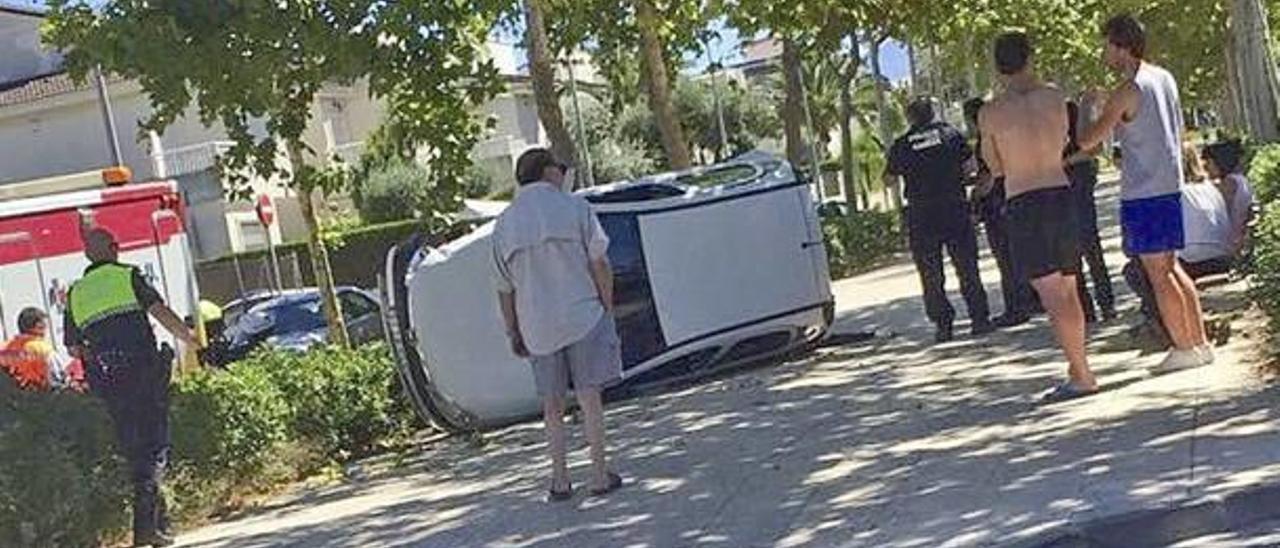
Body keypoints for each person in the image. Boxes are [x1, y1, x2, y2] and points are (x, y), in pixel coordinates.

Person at [1077, 14, 1212, 372]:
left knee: (1158, 274)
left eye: (1106, 44)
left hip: (1143, 192)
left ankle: (1183, 346)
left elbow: (1088, 140)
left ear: (1120, 45)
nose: (1103, 52)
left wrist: (1089, 105)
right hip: (1168, 185)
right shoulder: (1163, 78)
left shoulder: (1128, 89)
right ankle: (1197, 341)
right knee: (1173, 268)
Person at [492, 148, 624, 502]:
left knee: (552, 405)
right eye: (560, 168)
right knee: (589, 397)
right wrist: (606, 305)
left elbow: (504, 288)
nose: (564, 175)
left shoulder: (505, 224)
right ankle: (598, 475)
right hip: (583, 315)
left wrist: (513, 331)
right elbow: (600, 262)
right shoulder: (576, 208)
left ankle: (560, 481)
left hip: (537, 326)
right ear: (548, 171)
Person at [979, 31, 1098, 401]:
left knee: (1051, 294)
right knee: (1068, 287)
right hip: (1060, 193)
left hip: (1023, 200)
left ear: (998, 66)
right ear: (1031, 58)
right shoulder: (1055, 97)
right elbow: (1065, 142)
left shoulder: (991, 112)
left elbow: (994, 166)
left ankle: (1081, 373)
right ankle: (1080, 366)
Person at [64, 228, 198, 547]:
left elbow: (73, 347)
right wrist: (191, 339)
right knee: (155, 449)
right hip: (143, 377)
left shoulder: (76, 293)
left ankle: (159, 527)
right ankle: (144, 528)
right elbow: (161, 313)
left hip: (109, 385)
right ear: (115, 247)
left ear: (86, 256)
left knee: (136, 453)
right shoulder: (128, 276)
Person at [886, 98, 993, 343]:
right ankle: (979, 319)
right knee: (967, 265)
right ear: (932, 113)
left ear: (909, 118)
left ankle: (943, 324)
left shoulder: (902, 145)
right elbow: (969, 168)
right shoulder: (950, 134)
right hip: (953, 207)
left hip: (921, 213)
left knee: (930, 273)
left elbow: (889, 179)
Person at [966, 98, 1034, 328]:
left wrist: (975, 196)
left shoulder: (984, 142)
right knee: (1021, 252)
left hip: (996, 203)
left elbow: (990, 175)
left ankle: (1016, 307)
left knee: (1005, 258)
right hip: (1017, 195)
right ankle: (1032, 299)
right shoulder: (1008, 134)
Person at [1065, 99, 1117, 323]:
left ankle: (1105, 303)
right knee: (1070, 252)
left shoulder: (1070, 111)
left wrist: (1064, 162)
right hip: (1062, 185)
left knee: (1089, 245)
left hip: (1077, 181)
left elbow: (1092, 149)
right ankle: (1085, 308)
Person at [1203, 140, 1255, 255]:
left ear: (1219, 162)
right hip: (1236, 239)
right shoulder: (1241, 179)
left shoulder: (1229, 183)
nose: (1205, 167)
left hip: (1230, 243)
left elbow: (1218, 213)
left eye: (1209, 162)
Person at [2, 308, 63, 391]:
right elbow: (58, 377)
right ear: (39, 326)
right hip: (40, 397)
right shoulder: (43, 349)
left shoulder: (5, 349)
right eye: (45, 324)